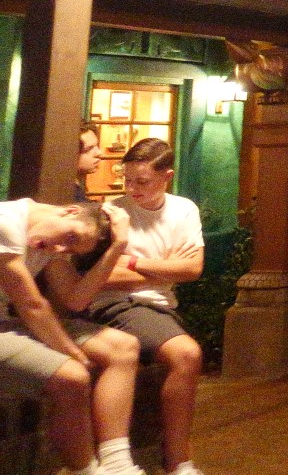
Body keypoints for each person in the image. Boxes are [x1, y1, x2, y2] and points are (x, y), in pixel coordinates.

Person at [74, 137, 208, 475]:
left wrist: (133, 262)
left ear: (167, 176)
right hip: (117, 304)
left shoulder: (183, 210)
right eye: (128, 179)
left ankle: (175, 457)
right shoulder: (112, 213)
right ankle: (178, 461)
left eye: (142, 181)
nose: (132, 188)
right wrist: (164, 267)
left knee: (185, 356)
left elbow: (192, 269)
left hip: (159, 307)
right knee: (187, 354)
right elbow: (103, 276)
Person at [2, 198, 144, 475]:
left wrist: (117, 247)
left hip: (6, 321)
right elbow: (31, 306)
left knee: (123, 347)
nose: (60, 249)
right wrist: (72, 353)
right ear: (70, 211)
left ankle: (117, 463)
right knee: (72, 376)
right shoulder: (6, 223)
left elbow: (76, 299)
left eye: (70, 248)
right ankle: (85, 471)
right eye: (70, 238)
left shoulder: (50, 242)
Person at [74, 124, 102, 203]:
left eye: (97, 146)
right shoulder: (68, 194)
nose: (99, 153)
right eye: (89, 149)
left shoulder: (77, 190)